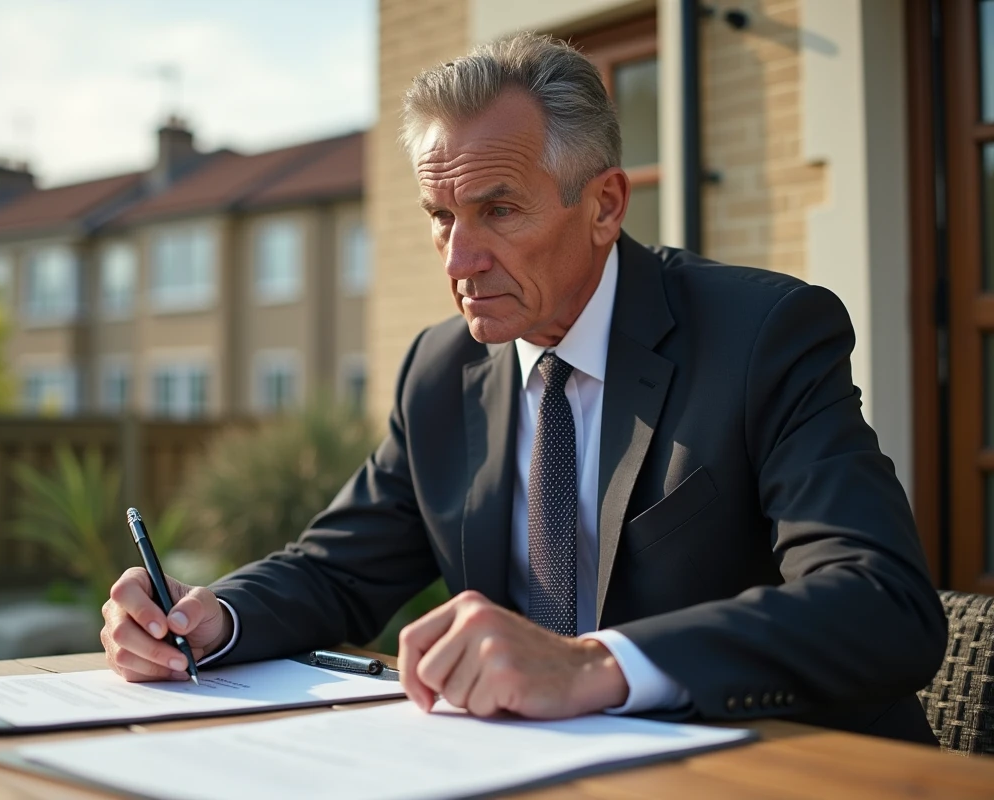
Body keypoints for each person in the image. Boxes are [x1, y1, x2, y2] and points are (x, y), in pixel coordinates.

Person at [101, 33, 945, 743]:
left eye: (498, 211)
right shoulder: (441, 372)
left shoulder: (765, 336)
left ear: (605, 205)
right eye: (441, 216)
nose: (458, 260)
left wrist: (595, 665)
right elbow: (337, 570)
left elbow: (882, 605)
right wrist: (212, 618)